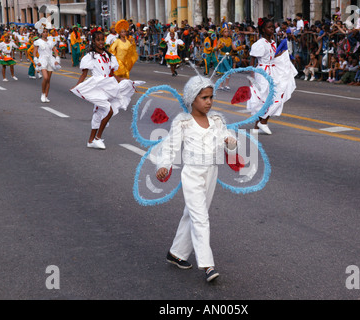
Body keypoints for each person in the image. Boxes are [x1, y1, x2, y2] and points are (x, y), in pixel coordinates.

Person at [156, 75, 237, 282]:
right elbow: (170, 147)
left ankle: (176, 253)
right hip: (192, 174)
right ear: (192, 98)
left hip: (211, 172)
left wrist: (230, 140)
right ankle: (208, 265)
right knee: (200, 218)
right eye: (204, 98)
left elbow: (230, 142)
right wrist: (164, 165)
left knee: (192, 214)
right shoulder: (183, 122)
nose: (209, 102)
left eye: (211, 97)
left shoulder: (217, 120)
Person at [70, 31, 142, 149]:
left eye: (102, 40)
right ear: (93, 41)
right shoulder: (90, 57)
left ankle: (91, 140)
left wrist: (129, 84)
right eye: (98, 40)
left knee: (99, 113)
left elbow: (113, 75)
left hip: (109, 86)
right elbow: (84, 74)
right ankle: (97, 138)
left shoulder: (109, 56)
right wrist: (77, 86)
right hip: (98, 86)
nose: (101, 42)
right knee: (108, 111)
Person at [247, 17, 297, 134]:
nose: (272, 30)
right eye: (269, 28)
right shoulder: (259, 44)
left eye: (272, 27)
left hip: (272, 71)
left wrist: (282, 54)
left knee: (277, 95)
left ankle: (259, 125)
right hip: (262, 72)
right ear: (263, 30)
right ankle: (261, 122)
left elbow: (273, 56)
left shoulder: (273, 42)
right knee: (264, 99)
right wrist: (251, 76)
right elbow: (253, 60)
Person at [33, 28, 61, 103]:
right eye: (44, 32)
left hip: (50, 60)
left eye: (46, 32)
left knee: (48, 79)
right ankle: (42, 93)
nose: (45, 33)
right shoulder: (38, 42)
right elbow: (35, 52)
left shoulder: (51, 42)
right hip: (42, 60)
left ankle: (46, 96)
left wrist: (57, 59)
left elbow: (55, 51)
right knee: (45, 77)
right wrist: (36, 61)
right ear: (41, 33)